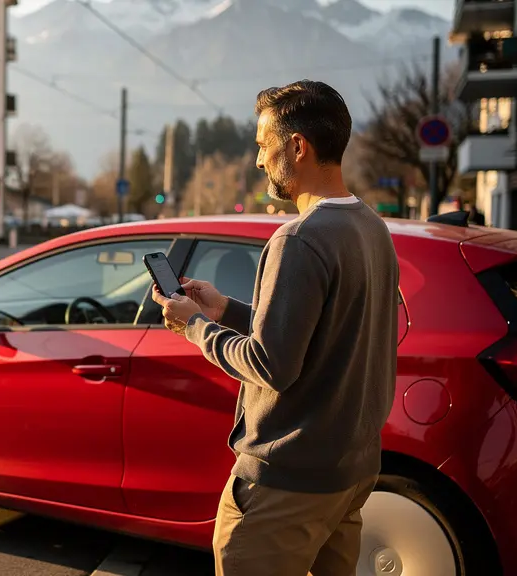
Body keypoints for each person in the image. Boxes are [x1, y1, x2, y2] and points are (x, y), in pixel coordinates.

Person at [151, 80, 400, 575]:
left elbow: (272, 364)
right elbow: (327, 334)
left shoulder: (300, 239)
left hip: (287, 484)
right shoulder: (372, 228)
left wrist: (196, 326)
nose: (259, 160)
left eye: (264, 145)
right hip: (349, 473)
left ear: (297, 146)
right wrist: (227, 310)